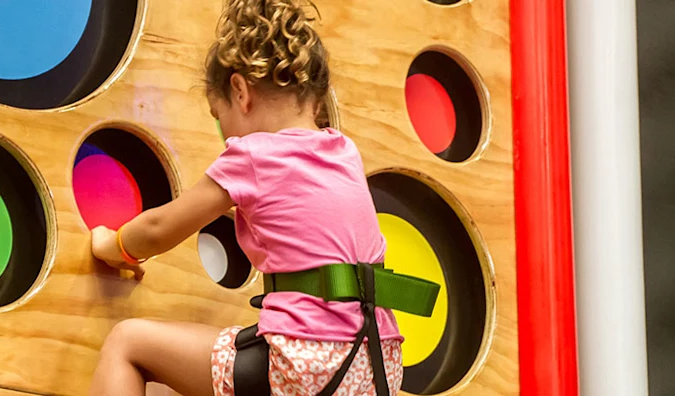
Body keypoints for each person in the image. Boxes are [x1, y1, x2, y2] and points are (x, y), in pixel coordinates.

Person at [87, 1, 434, 394]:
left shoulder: (253, 156)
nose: (225, 133)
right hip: (378, 366)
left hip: (308, 365)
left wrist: (113, 245)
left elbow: (157, 229)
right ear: (315, 99)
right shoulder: (343, 152)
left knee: (127, 343)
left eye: (219, 117)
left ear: (240, 92)